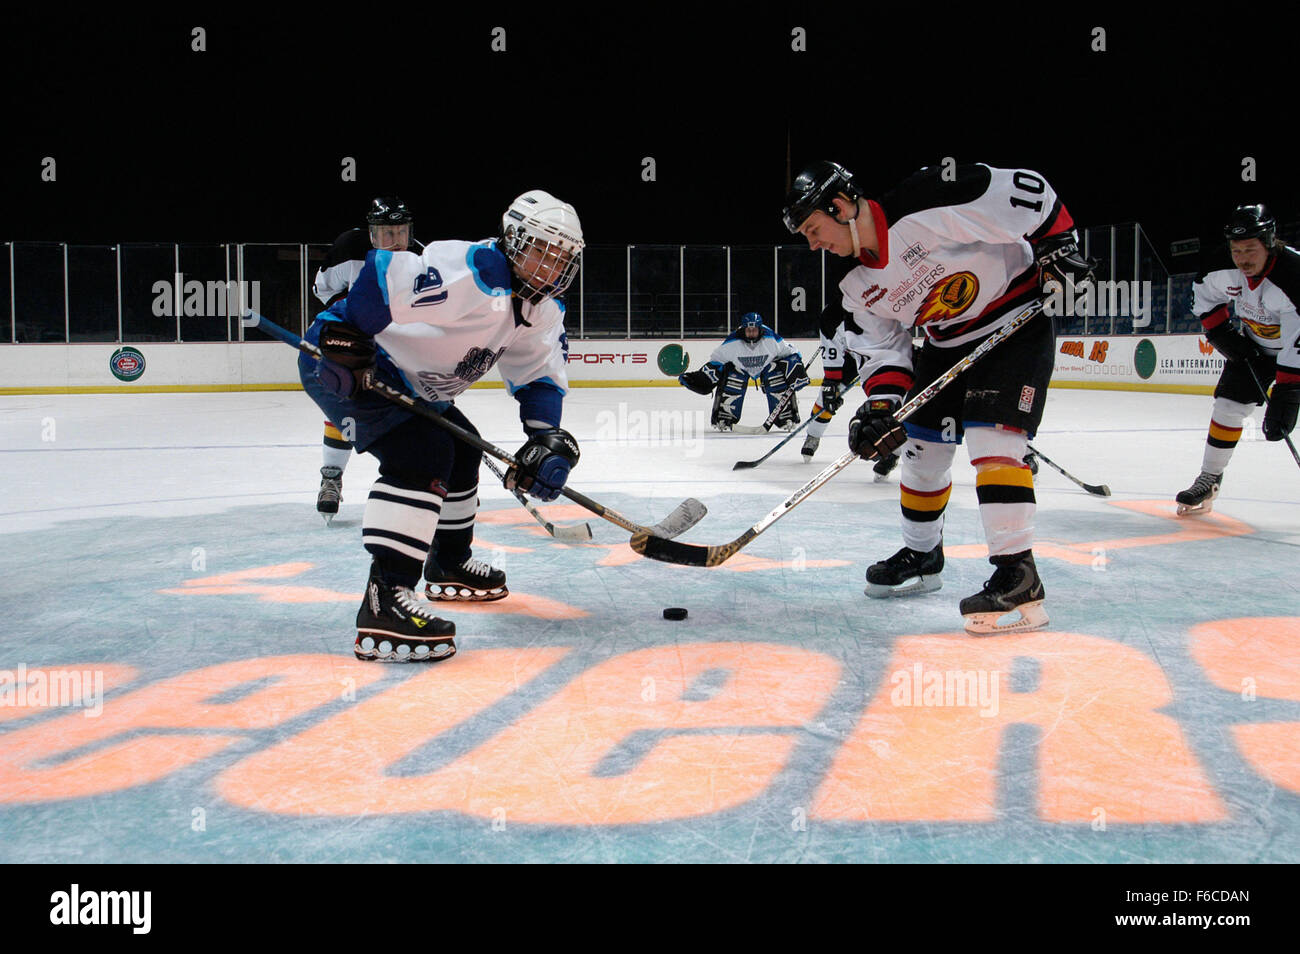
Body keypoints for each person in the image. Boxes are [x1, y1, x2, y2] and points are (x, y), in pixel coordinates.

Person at [783, 160, 1094, 634]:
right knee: (922, 453)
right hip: (945, 344)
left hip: (1015, 321)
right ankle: (923, 553)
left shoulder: (927, 196)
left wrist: (1059, 245)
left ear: (840, 205)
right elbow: (885, 352)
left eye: (813, 228)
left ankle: (1019, 573)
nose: (813, 243)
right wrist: (882, 409)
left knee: (993, 442)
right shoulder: (855, 286)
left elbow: (1029, 189)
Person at [298, 190, 585, 661]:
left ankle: (448, 564)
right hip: (346, 366)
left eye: (561, 258)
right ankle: (385, 596)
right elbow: (383, 275)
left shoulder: (542, 309)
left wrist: (543, 441)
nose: (549, 268)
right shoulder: (473, 270)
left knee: (462, 450)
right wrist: (346, 330)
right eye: (541, 251)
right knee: (423, 453)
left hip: (413, 386)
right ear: (513, 241)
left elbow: (537, 376)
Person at [1176, 204, 1300, 514]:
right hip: (1255, 349)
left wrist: (1288, 392)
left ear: (1269, 242)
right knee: (1228, 406)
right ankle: (1209, 477)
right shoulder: (1221, 266)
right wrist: (1220, 333)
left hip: (1295, 353)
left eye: (1250, 249)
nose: (1242, 259)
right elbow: (1202, 296)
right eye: (1236, 250)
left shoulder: (1294, 274)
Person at [310, 196, 417, 523]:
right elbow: (322, 289)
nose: (395, 241)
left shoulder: (421, 258)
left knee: (421, 412)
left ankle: (435, 482)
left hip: (398, 345)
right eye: (387, 233)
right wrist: (350, 320)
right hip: (355, 340)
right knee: (344, 401)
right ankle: (331, 477)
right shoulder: (349, 248)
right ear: (372, 234)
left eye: (401, 232)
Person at [801, 301, 900, 481]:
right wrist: (831, 381)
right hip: (850, 356)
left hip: (879, 355)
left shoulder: (880, 307)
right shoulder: (831, 316)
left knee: (888, 401)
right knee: (828, 395)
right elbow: (831, 350)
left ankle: (893, 451)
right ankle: (813, 435)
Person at [677, 312, 809, 430]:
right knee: (733, 374)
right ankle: (724, 416)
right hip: (741, 370)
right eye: (748, 330)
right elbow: (716, 361)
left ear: (760, 329)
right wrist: (701, 378)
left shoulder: (771, 339)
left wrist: (796, 370)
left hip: (766, 369)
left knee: (775, 372)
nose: (751, 333)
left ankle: (786, 416)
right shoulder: (732, 343)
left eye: (754, 330)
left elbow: (793, 353)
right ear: (743, 329)